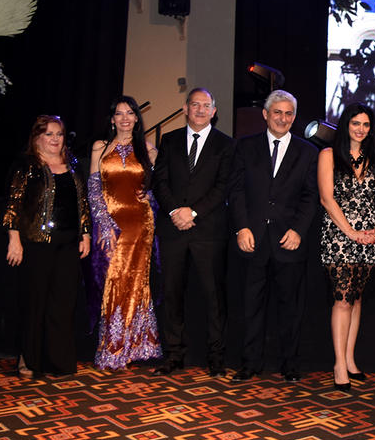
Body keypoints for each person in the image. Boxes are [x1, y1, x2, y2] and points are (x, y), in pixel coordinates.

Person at [229, 90, 319, 382]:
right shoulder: (244, 147)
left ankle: (289, 365)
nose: (283, 118)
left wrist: (298, 230)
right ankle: (250, 363)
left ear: (294, 117)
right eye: (277, 112)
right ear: (265, 115)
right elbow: (237, 191)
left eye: (288, 113)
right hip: (251, 239)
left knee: (290, 308)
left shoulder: (308, 152)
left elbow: (310, 196)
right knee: (251, 305)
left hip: (288, 240)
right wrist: (242, 227)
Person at [152, 88, 235, 378]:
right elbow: (159, 181)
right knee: (172, 294)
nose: (200, 110)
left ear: (214, 110)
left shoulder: (226, 144)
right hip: (173, 230)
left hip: (208, 231)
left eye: (206, 105)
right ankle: (174, 356)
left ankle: (216, 356)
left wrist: (193, 212)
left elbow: (223, 187)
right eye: (195, 104)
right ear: (185, 108)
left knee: (213, 296)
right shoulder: (169, 140)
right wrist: (176, 212)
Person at [3, 115, 91, 377]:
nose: (55, 139)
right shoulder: (26, 165)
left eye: (59, 134)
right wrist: (14, 239)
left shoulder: (72, 164)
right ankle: (28, 359)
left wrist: (85, 234)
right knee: (35, 302)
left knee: (62, 303)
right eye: (49, 134)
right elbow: (12, 206)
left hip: (67, 244)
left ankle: (57, 361)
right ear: (37, 137)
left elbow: (82, 204)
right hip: (35, 243)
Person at [319, 103, 375, 391]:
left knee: (356, 299)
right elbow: (326, 199)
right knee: (343, 299)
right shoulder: (328, 155)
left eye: (366, 125)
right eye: (355, 123)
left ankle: (349, 359)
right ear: (346, 124)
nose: (360, 129)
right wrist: (351, 232)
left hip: (370, 238)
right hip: (339, 236)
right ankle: (338, 364)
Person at [89, 96, 162, 370]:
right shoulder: (100, 147)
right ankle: (113, 347)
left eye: (130, 113)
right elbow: (94, 189)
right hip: (110, 224)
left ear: (136, 118)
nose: (124, 118)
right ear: (112, 119)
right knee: (113, 281)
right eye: (119, 113)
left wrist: (151, 193)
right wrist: (104, 223)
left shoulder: (149, 149)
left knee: (137, 282)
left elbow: (159, 187)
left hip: (141, 223)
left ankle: (139, 346)